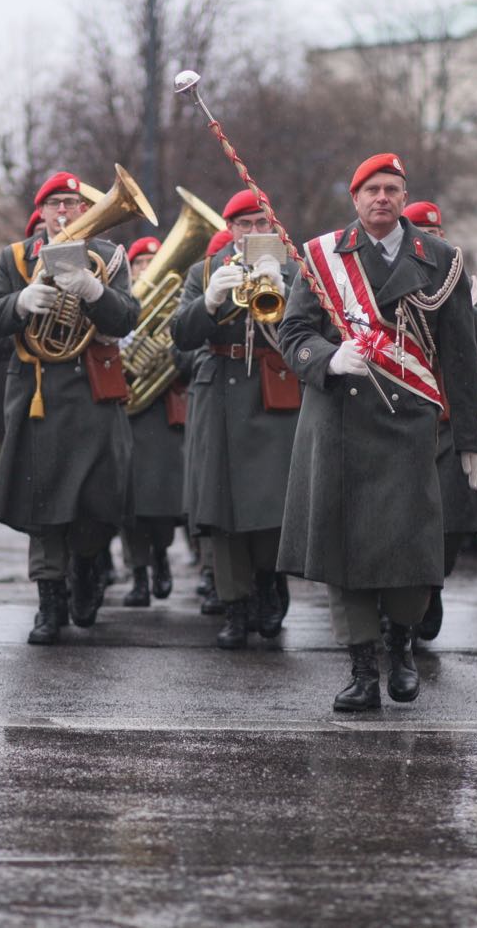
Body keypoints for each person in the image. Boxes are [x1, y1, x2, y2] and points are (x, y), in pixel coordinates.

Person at [277, 154, 477, 710]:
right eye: (372, 189)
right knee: (344, 552)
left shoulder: (440, 260)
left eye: (392, 188)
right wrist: (326, 357)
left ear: (402, 195)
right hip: (339, 421)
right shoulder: (322, 257)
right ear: (355, 197)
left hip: (410, 424)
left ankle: (402, 643)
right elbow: (292, 331)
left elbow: (462, 357)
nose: (382, 198)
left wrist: (471, 438)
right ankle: (362, 669)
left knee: (411, 547)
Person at [0, 171, 140, 645]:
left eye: (72, 203)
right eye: (56, 204)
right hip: (37, 396)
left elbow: (129, 316)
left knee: (94, 502)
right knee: (42, 503)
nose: (64, 212)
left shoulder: (108, 255)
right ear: (42, 211)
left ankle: (87, 567)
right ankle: (48, 604)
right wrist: (21, 303)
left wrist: (92, 292)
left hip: (91, 393)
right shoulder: (15, 257)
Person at [173, 190, 302, 649]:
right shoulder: (204, 272)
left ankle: (270, 587)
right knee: (222, 506)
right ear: (229, 230)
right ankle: (234, 604)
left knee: (271, 504)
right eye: (243, 224)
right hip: (220, 389)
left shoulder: (296, 269)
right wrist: (209, 301)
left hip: (273, 391)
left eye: (261, 223)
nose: (253, 232)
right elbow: (180, 336)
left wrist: (285, 293)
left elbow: (317, 331)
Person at [400, 200, 477, 641]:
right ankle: (402, 602)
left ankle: (433, 586)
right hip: (403, 413)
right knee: (401, 519)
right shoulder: (392, 274)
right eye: (419, 228)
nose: (428, 236)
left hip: (447, 417)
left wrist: (467, 308)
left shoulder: (452, 273)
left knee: (451, 522)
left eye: (435, 230)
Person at [120, 235, 192, 608]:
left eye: (154, 259)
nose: (148, 267)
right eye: (141, 263)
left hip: (164, 411)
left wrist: (165, 356)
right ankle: (137, 576)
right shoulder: (121, 305)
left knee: (163, 499)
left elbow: (188, 358)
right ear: (131, 270)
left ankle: (161, 557)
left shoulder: (176, 305)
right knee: (130, 503)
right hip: (128, 410)